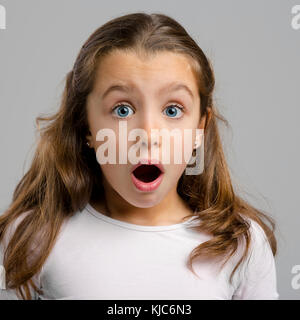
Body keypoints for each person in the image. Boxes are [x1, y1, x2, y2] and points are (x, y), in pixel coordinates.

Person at [0, 12, 279, 300]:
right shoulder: (34, 238)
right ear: (86, 126)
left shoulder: (241, 244)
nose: (147, 134)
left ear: (199, 128)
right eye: (122, 110)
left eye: (172, 110)